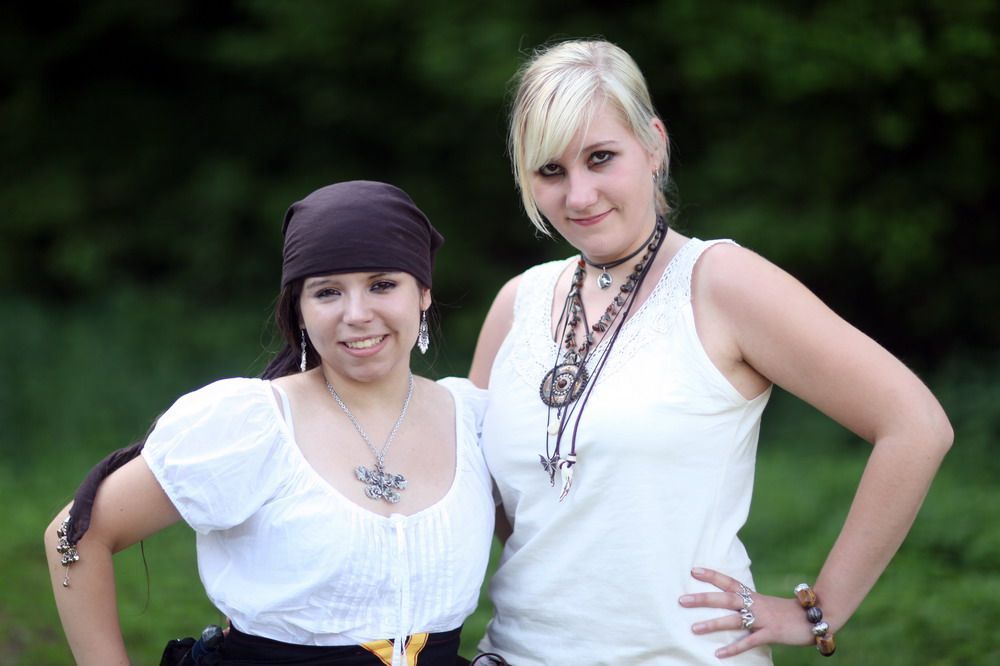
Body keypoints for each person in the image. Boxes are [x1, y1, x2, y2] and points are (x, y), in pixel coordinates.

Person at [469, 39, 953, 665]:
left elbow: (916, 425)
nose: (579, 195)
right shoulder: (518, 303)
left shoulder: (719, 283)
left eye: (601, 158)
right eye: (551, 171)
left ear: (654, 145)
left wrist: (819, 610)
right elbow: (482, 494)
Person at [45, 181, 497, 666]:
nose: (357, 314)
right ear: (299, 309)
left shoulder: (474, 420)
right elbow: (73, 534)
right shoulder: (251, 425)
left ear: (424, 292)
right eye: (327, 292)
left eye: (382, 285)